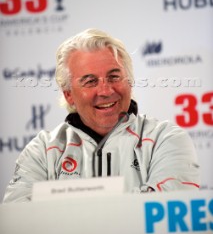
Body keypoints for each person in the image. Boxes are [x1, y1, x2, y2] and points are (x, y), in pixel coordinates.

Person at [3, 28, 200, 202]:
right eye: (90, 81)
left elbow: (167, 214)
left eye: (114, 76)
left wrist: (61, 208)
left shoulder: (165, 139)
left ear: (129, 82)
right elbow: (20, 221)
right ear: (69, 95)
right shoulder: (43, 150)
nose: (105, 91)